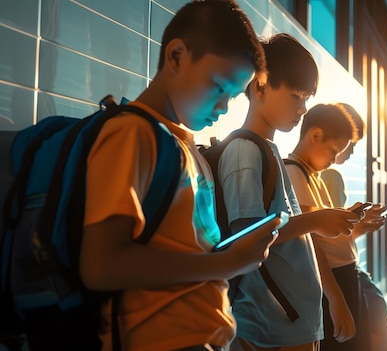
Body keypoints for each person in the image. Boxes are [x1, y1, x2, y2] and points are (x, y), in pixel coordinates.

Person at [79, 2, 282, 350]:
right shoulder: (132, 134)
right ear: (176, 56)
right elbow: (100, 265)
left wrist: (226, 256)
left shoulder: (184, 146)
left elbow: (184, 248)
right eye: (219, 86)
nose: (223, 108)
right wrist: (227, 263)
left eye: (232, 97)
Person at [216, 33, 360, 351]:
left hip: (291, 323)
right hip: (269, 326)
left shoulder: (267, 151)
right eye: (297, 96)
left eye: (307, 98)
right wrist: (317, 220)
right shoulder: (244, 151)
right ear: (259, 87)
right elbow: (249, 238)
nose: (303, 109)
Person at [318, 103, 387, 351]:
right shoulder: (327, 177)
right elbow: (327, 241)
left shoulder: (317, 176)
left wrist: (359, 227)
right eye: (350, 144)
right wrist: (359, 227)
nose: (351, 152)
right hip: (337, 273)